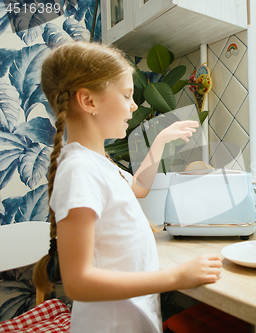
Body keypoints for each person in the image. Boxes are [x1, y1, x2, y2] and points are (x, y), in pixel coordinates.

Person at [33, 41, 222, 333]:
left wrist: (159, 140)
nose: (133, 106)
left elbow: (139, 187)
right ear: (89, 101)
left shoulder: (98, 163)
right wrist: (175, 277)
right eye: (126, 95)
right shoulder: (79, 170)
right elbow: (78, 282)